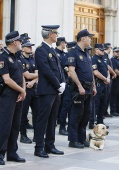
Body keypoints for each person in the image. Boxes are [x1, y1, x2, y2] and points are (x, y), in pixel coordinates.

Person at [34, 25, 65, 158]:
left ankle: (50, 145)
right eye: (55, 33)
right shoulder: (41, 50)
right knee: (43, 119)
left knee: (53, 119)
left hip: (55, 90)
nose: (57, 35)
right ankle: (39, 147)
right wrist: (58, 85)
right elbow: (46, 71)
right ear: (49, 34)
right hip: (47, 90)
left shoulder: (51, 49)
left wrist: (63, 81)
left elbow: (59, 68)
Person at [66, 29, 97, 148]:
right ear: (83, 38)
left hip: (89, 88)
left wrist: (94, 86)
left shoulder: (86, 53)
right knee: (76, 114)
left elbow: (90, 72)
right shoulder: (73, 52)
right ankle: (73, 140)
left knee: (86, 114)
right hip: (79, 89)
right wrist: (79, 86)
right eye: (89, 37)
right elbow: (71, 71)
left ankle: (81, 138)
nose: (90, 39)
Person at [0, 31, 26, 165]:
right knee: (5, 125)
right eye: (20, 41)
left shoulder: (18, 56)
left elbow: (21, 75)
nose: (22, 43)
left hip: (18, 95)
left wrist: (23, 90)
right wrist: (22, 90)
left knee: (15, 125)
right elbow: (7, 80)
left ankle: (12, 152)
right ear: (15, 42)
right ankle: (0, 153)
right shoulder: (3, 57)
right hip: (7, 95)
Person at [19, 40, 39, 144]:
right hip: (25, 88)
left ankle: (37, 136)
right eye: (28, 46)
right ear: (22, 48)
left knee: (37, 113)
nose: (30, 48)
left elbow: (36, 73)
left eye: (31, 46)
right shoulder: (21, 59)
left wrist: (33, 80)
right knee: (23, 113)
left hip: (34, 87)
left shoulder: (32, 59)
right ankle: (23, 135)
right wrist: (34, 77)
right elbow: (26, 75)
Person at [92, 43, 110, 127]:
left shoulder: (103, 59)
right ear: (96, 50)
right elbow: (95, 72)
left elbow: (107, 70)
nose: (103, 51)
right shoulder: (94, 59)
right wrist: (105, 79)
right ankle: (92, 122)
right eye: (101, 50)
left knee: (103, 104)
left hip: (105, 84)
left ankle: (100, 121)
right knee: (96, 104)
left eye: (103, 50)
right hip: (99, 84)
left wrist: (108, 78)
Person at [110, 47, 119, 116]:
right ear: (113, 52)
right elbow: (115, 70)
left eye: (118, 52)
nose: (118, 53)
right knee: (114, 95)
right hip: (116, 80)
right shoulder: (112, 60)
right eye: (116, 52)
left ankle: (118, 110)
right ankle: (113, 110)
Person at [103, 43, 116, 118]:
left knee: (107, 97)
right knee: (105, 97)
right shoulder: (104, 55)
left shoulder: (106, 56)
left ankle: (105, 111)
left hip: (108, 78)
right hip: (105, 79)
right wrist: (113, 73)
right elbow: (107, 66)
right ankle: (103, 112)